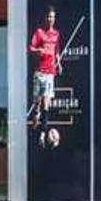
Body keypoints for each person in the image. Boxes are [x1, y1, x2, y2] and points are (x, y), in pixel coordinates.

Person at [28, 7, 61, 140]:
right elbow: (31, 48)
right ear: (45, 18)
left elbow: (57, 50)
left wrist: (59, 63)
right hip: (39, 72)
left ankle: (42, 135)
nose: (51, 19)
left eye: (53, 17)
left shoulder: (56, 34)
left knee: (46, 103)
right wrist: (38, 50)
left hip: (50, 73)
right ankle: (36, 116)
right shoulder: (39, 32)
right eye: (49, 17)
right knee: (37, 104)